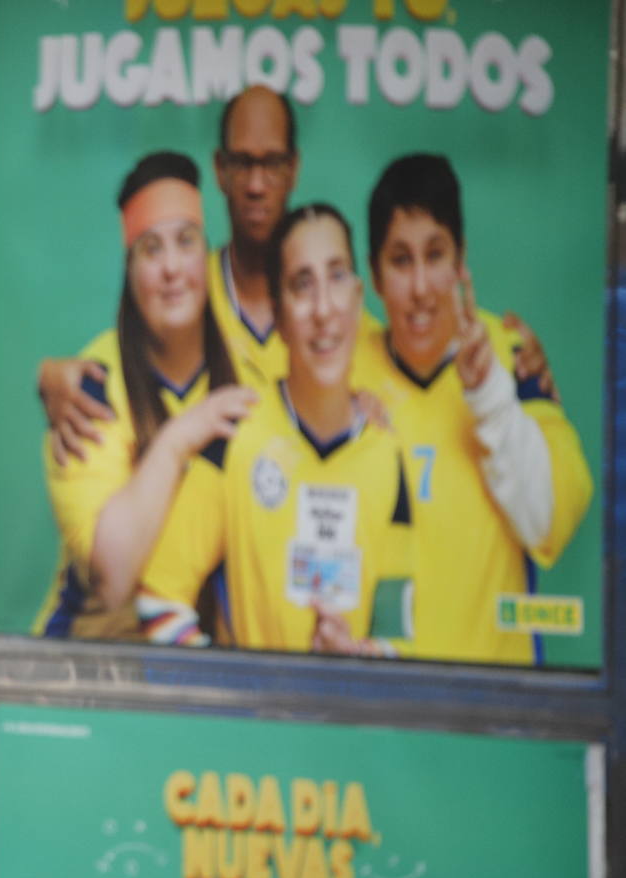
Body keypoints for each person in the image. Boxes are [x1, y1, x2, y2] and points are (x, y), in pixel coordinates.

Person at [138, 204, 414, 656]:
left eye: (337, 276)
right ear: (280, 316)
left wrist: (366, 658)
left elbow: (399, 634)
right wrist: (232, 694)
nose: (324, 308)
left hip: (351, 725)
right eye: (302, 285)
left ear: (359, 298)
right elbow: (158, 602)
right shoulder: (235, 438)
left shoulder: (388, 454)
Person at [351, 154, 592, 665]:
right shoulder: (340, 371)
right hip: (379, 711)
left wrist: (491, 399)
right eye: (399, 260)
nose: (419, 287)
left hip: (494, 709)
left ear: (461, 261)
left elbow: (547, 522)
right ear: (373, 274)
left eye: (435, 255)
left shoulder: (512, 358)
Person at [33, 152, 256, 642]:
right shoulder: (92, 389)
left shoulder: (247, 366)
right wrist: (179, 439)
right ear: (130, 272)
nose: (173, 267)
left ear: (207, 254)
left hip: (201, 663)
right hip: (89, 661)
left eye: (186, 241)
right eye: (151, 249)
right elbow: (112, 578)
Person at [38, 86, 299, 465]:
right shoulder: (183, 292)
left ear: (293, 168)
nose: (257, 185)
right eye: (242, 163)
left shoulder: (326, 315)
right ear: (220, 169)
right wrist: (48, 378)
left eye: (272, 163)